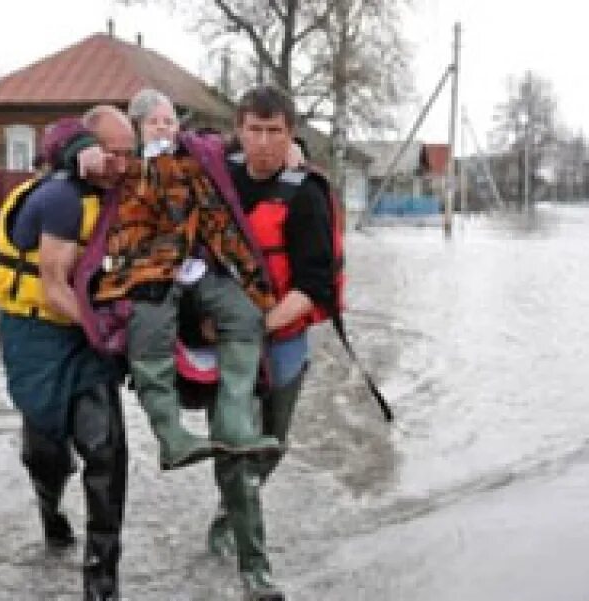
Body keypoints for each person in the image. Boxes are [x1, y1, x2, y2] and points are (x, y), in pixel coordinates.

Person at [84, 88, 281, 471]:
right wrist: (77, 148)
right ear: (137, 128)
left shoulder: (199, 156)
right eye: (154, 121)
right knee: (150, 317)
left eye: (169, 120)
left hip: (203, 263)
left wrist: (296, 147)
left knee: (243, 309)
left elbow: (244, 146)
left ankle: (235, 425)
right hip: (145, 265)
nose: (163, 128)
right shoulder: (123, 167)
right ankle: (171, 435)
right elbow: (63, 139)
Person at [0, 106, 134, 601]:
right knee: (45, 453)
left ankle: (101, 583)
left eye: (128, 153)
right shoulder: (61, 200)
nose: (122, 163)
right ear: (89, 150)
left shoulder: (117, 196)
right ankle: (51, 516)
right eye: (113, 153)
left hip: (86, 340)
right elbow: (54, 288)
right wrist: (110, 337)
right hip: (40, 335)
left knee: (107, 451)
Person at [205, 86, 337, 589]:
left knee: (272, 446)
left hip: (282, 334)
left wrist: (260, 327)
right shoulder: (219, 181)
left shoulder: (305, 196)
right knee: (235, 445)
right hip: (227, 341)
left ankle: (227, 514)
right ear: (239, 131)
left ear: (290, 134)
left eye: (275, 132)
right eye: (254, 130)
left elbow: (314, 286)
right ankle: (254, 571)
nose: (263, 142)